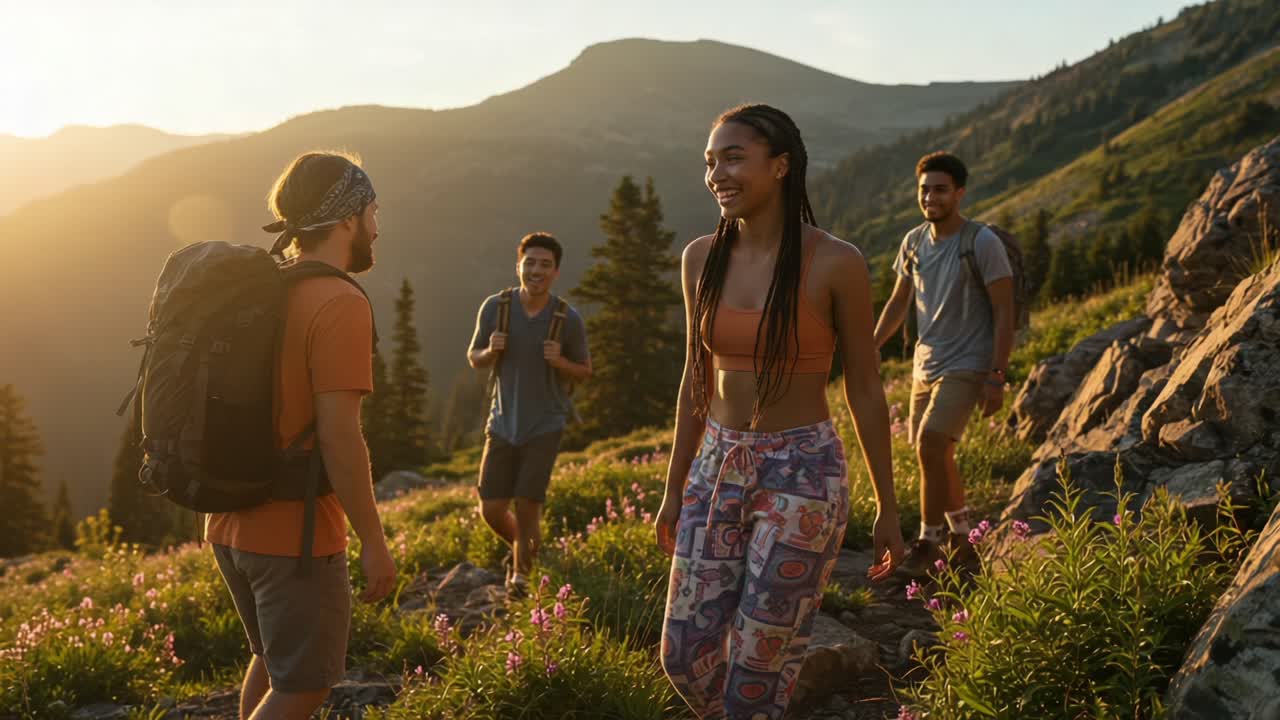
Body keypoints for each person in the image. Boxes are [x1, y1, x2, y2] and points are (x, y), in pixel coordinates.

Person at [654, 104, 902, 720]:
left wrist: (889, 509)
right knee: (682, 654)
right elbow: (694, 379)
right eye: (709, 161)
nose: (717, 173)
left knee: (759, 671)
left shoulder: (837, 262)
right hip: (716, 465)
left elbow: (866, 389)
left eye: (734, 157)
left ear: (782, 165)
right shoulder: (699, 257)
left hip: (803, 473)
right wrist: (673, 485)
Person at [205, 152, 397, 720]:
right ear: (347, 221)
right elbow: (340, 439)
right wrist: (375, 542)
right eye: (373, 211)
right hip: (294, 534)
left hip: (228, 521)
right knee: (304, 685)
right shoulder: (338, 302)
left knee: (270, 661)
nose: (376, 227)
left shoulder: (264, 289)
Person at [873, 151, 1014, 575]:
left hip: (968, 363)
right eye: (924, 190)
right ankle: (964, 536)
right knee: (934, 455)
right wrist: (869, 347)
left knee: (931, 445)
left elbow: (1004, 310)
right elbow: (899, 301)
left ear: (959, 193)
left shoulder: (981, 242)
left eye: (940, 189)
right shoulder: (913, 242)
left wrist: (997, 377)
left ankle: (928, 542)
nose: (930, 197)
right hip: (924, 366)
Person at [468, 232, 591, 597]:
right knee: (491, 509)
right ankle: (527, 549)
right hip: (503, 422)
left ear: (555, 272)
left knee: (527, 507)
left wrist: (560, 361)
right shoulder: (496, 307)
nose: (536, 270)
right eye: (531, 262)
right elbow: (473, 357)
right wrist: (490, 352)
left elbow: (584, 370)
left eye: (545, 265)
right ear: (518, 265)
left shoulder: (567, 318)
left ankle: (520, 579)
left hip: (545, 424)